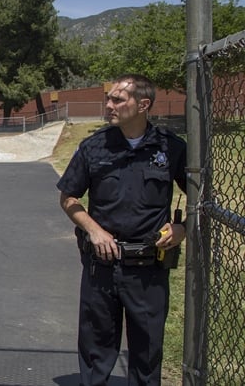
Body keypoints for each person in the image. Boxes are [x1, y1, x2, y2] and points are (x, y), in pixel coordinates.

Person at [56, 74, 187, 385]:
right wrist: (94, 230)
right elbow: (68, 198)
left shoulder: (171, 148)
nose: (109, 104)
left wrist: (182, 228)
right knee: (95, 350)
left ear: (143, 105)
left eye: (118, 99)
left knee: (147, 352)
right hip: (101, 267)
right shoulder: (94, 147)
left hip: (149, 270)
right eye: (109, 98)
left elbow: (199, 196)